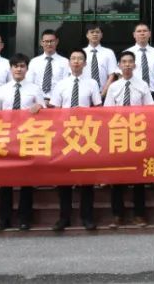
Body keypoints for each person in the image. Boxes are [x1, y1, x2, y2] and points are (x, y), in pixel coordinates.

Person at [0, 53, 45, 232]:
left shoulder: (35, 89)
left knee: (26, 182)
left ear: (27, 69)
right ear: (11, 68)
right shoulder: (3, 89)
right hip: (7, 138)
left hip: (27, 138)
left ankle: (24, 219)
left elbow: (44, 110)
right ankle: (3, 219)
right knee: (5, 182)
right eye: (15, 66)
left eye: (22, 66)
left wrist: (40, 106)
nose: (19, 69)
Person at [50, 50, 102, 231]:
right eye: (73, 59)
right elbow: (55, 110)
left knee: (87, 177)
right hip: (65, 134)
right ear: (69, 62)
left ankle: (87, 217)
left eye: (80, 59)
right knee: (64, 178)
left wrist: (84, 112)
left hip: (86, 135)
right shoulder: (61, 84)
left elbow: (98, 109)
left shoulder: (92, 83)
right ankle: (64, 217)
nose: (76, 61)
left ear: (85, 63)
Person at [103, 51, 153, 228]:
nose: (127, 65)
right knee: (117, 176)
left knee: (139, 177)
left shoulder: (143, 85)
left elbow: (150, 110)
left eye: (130, 61)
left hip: (138, 134)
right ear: (119, 65)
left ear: (135, 65)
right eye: (124, 62)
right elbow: (107, 111)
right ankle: (117, 215)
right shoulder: (114, 87)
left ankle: (139, 215)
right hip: (118, 135)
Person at [122, 22, 154, 97]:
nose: (142, 33)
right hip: (133, 93)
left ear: (149, 34)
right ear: (134, 35)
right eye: (139, 31)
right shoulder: (126, 53)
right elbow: (121, 76)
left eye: (145, 31)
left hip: (153, 93)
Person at [27, 29, 70, 106]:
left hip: (57, 103)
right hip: (37, 104)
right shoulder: (34, 62)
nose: (49, 44)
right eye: (46, 41)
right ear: (41, 43)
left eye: (52, 41)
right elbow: (29, 83)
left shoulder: (65, 62)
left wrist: (55, 101)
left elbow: (66, 85)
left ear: (57, 41)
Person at [83, 23, 118, 96]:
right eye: (92, 32)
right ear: (87, 35)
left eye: (97, 32)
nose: (95, 34)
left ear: (101, 35)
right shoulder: (81, 53)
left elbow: (112, 75)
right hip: (84, 93)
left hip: (104, 93)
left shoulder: (109, 52)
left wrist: (103, 94)